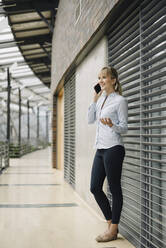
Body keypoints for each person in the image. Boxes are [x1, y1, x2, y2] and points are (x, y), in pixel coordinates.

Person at [88, 66, 128, 242]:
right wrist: (94, 99)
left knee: (114, 189)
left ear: (113, 80)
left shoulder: (120, 101)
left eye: (104, 77)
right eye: (99, 77)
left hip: (114, 148)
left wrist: (113, 125)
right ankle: (111, 224)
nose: (101, 80)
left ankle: (112, 230)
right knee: (95, 187)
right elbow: (90, 119)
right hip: (100, 149)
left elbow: (125, 127)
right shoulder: (100, 99)